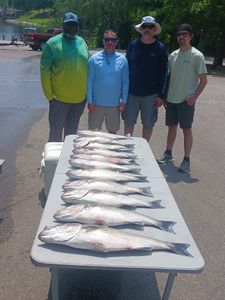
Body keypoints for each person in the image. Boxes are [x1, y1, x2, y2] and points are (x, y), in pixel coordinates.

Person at [157, 24, 207, 173]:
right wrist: (165, 96)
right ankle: (168, 154)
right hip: (171, 99)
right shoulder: (173, 55)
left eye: (185, 34)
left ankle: (186, 160)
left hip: (186, 101)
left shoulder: (196, 55)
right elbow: (170, 77)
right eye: (180, 34)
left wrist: (194, 98)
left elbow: (203, 81)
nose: (182, 37)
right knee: (171, 128)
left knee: (186, 130)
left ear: (191, 36)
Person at [40, 12, 89, 142]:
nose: (71, 28)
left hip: (79, 100)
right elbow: (44, 72)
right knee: (55, 136)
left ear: (78, 27)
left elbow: (86, 68)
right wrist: (50, 97)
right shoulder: (52, 44)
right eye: (68, 25)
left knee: (71, 137)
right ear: (63, 25)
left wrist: (86, 95)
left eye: (74, 25)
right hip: (59, 100)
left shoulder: (83, 43)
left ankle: (66, 161)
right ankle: (54, 162)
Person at [123, 16, 168, 141]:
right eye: (145, 26)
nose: (147, 29)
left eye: (150, 27)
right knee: (128, 122)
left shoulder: (160, 48)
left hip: (151, 95)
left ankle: (145, 148)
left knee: (148, 124)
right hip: (131, 93)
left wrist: (161, 95)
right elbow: (125, 70)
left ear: (154, 29)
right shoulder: (132, 45)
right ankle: (126, 148)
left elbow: (164, 73)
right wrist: (123, 92)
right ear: (141, 29)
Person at [87, 30, 129, 134]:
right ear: (103, 41)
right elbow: (89, 82)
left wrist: (124, 100)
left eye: (112, 40)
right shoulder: (93, 59)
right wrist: (90, 101)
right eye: (107, 40)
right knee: (93, 134)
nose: (110, 42)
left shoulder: (123, 60)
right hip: (96, 104)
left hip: (114, 105)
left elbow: (125, 82)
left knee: (112, 135)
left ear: (116, 41)